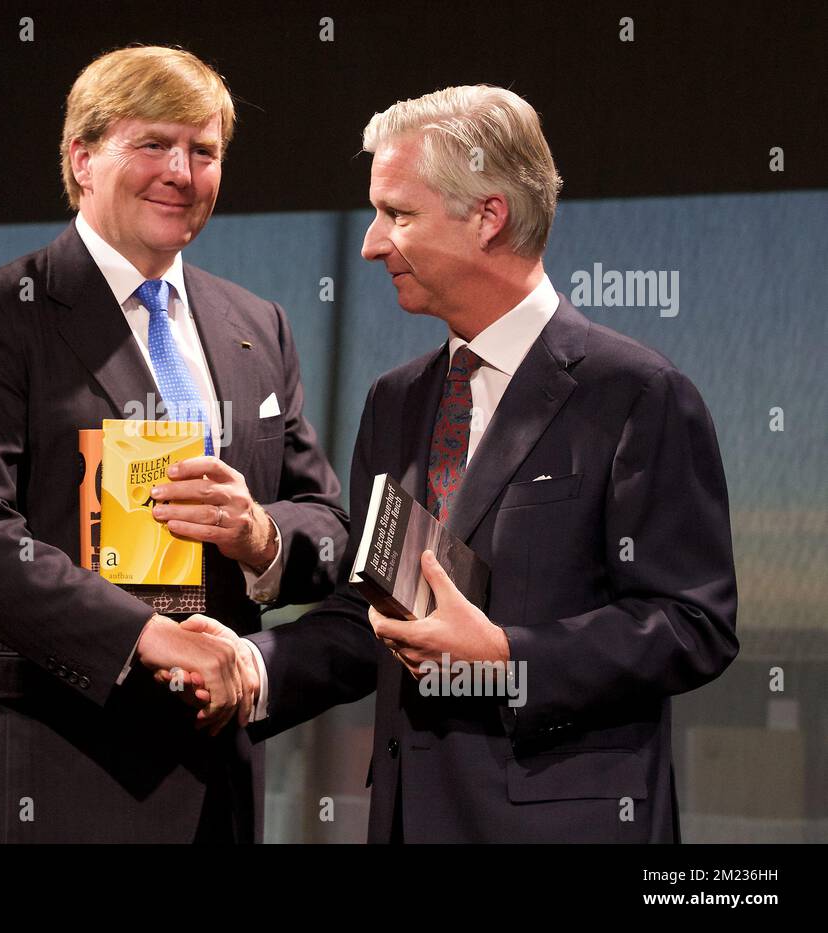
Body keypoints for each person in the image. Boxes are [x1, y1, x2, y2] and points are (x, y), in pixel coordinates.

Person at [189, 85, 739, 842]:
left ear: (488, 216)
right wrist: (254, 665)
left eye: (399, 214)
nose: (372, 243)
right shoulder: (397, 400)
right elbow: (380, 611)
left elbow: (692, 622)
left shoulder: (637, 395)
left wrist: (508, 657)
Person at [0, 46, 346, 843]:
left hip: (213, 788)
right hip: (40, 781)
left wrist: (261, 536)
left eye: (203, 151)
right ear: (83, 158)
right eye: (153, 144)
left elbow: (329, 524)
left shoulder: (259, 325)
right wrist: (145, 636)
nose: (181, 171)